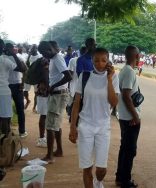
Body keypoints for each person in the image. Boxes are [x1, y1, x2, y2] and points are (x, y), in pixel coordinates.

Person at [69, 47, 119, 188]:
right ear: (91, 61)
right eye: (96, 60)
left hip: (103, 127)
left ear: (108, 61)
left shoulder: (114, 77)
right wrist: (73, 127)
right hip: (85, 126)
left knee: (101, 169)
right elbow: (76, 104)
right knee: (87, 167)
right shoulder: (84, 77)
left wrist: (109, 79)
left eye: (103, 60)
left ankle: (99, 182)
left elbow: (114, 103)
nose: (100, 63)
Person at [38, 41, 71, 163]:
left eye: (43, 53)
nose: (43, 55)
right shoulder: (54, 59)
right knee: (55, 125)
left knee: (50, 126)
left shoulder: (57, 59)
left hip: (58, 95)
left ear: (49, 49)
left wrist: (53, 86)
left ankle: (49, 156)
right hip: (57, 94)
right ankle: (59, 150)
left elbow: (68, 76)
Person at [115, 45, 142, 188]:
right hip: (130, 118)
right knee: (130, 150)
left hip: (125, 116)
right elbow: (126, 95)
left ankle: (120, 177)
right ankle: (125, 180)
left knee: (124, 148)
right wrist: (135, 115)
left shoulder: (124, 70)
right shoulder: (129, 72)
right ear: (137, 56)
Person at [0, 39, 27, 136]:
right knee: (6, 113)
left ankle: (21, 131)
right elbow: (23, 69)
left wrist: (22, 83)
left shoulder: (18, 57)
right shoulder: (3, 58)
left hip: (16, 85)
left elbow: (24, 70)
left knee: (19, 109)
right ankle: (7, 134)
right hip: (6, 87)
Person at [35, 57, 50, 147]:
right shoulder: (45, 64)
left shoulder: (41, 60)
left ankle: (43, 137)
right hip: (45, 94)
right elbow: (45, 78)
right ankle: (41, 139)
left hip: (42, 93)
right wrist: (49, 87)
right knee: (44, 116)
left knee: (44, 116)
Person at [24, 44, 42, 111]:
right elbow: (27, 64)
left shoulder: (40, 56)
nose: (32, 50)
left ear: (36, 49)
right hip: (28, 76)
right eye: (31, 48)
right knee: (25, 91)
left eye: (33, 48)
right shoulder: (28, 56)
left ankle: (34, 107)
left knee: (36, 93)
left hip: (36, 77)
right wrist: (29, 55)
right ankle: (28, 100)